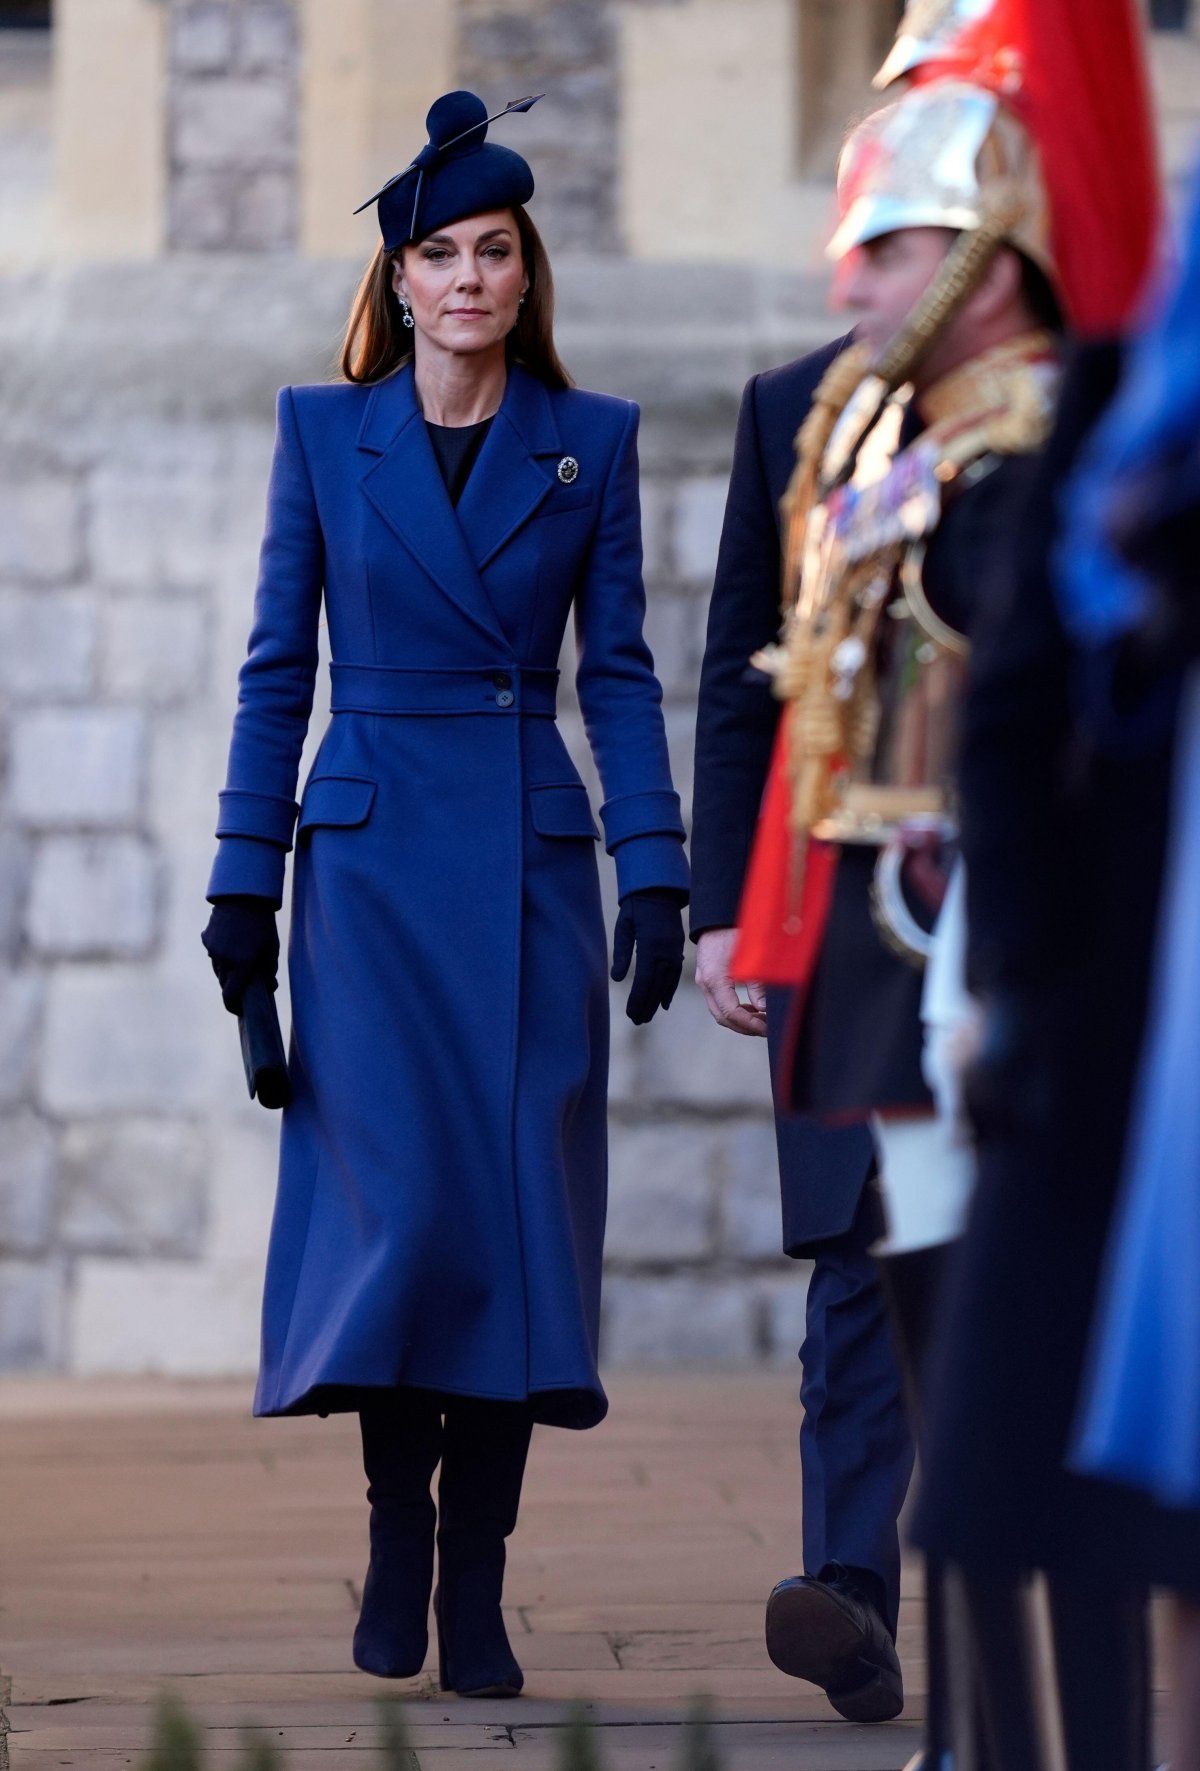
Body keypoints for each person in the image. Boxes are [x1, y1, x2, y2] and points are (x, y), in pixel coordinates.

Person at [199, 90, 688, 1698]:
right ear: (398, 280)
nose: (470, 278)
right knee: (401, 1219)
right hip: (369, 877)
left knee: (511, 1224)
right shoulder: (320, 433)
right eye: (441, 255)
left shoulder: (591, 437)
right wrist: (242, 883)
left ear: (525, 276)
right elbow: (278, 673)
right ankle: (398, 1527)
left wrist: (655, 865)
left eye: (494, 252)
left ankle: (478, 1577)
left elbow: (620, 675)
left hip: (528, 871)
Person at [731, 0, 1161, 1761]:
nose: (857, 280)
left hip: (1001, 965)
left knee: (1030, 1392)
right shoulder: (890, 445)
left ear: (989, 247)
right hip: (899, 958)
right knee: (939, 1367)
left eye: (894, 247)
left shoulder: (1039, 455)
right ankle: (981, 1725)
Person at [691, 342, 913, 1724]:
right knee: (854, 1242)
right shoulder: (791, 408)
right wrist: (723, 909)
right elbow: (739, 675)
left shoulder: (1077, 376)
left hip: (1026, 896)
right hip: (828, 893)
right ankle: (851, 1594)